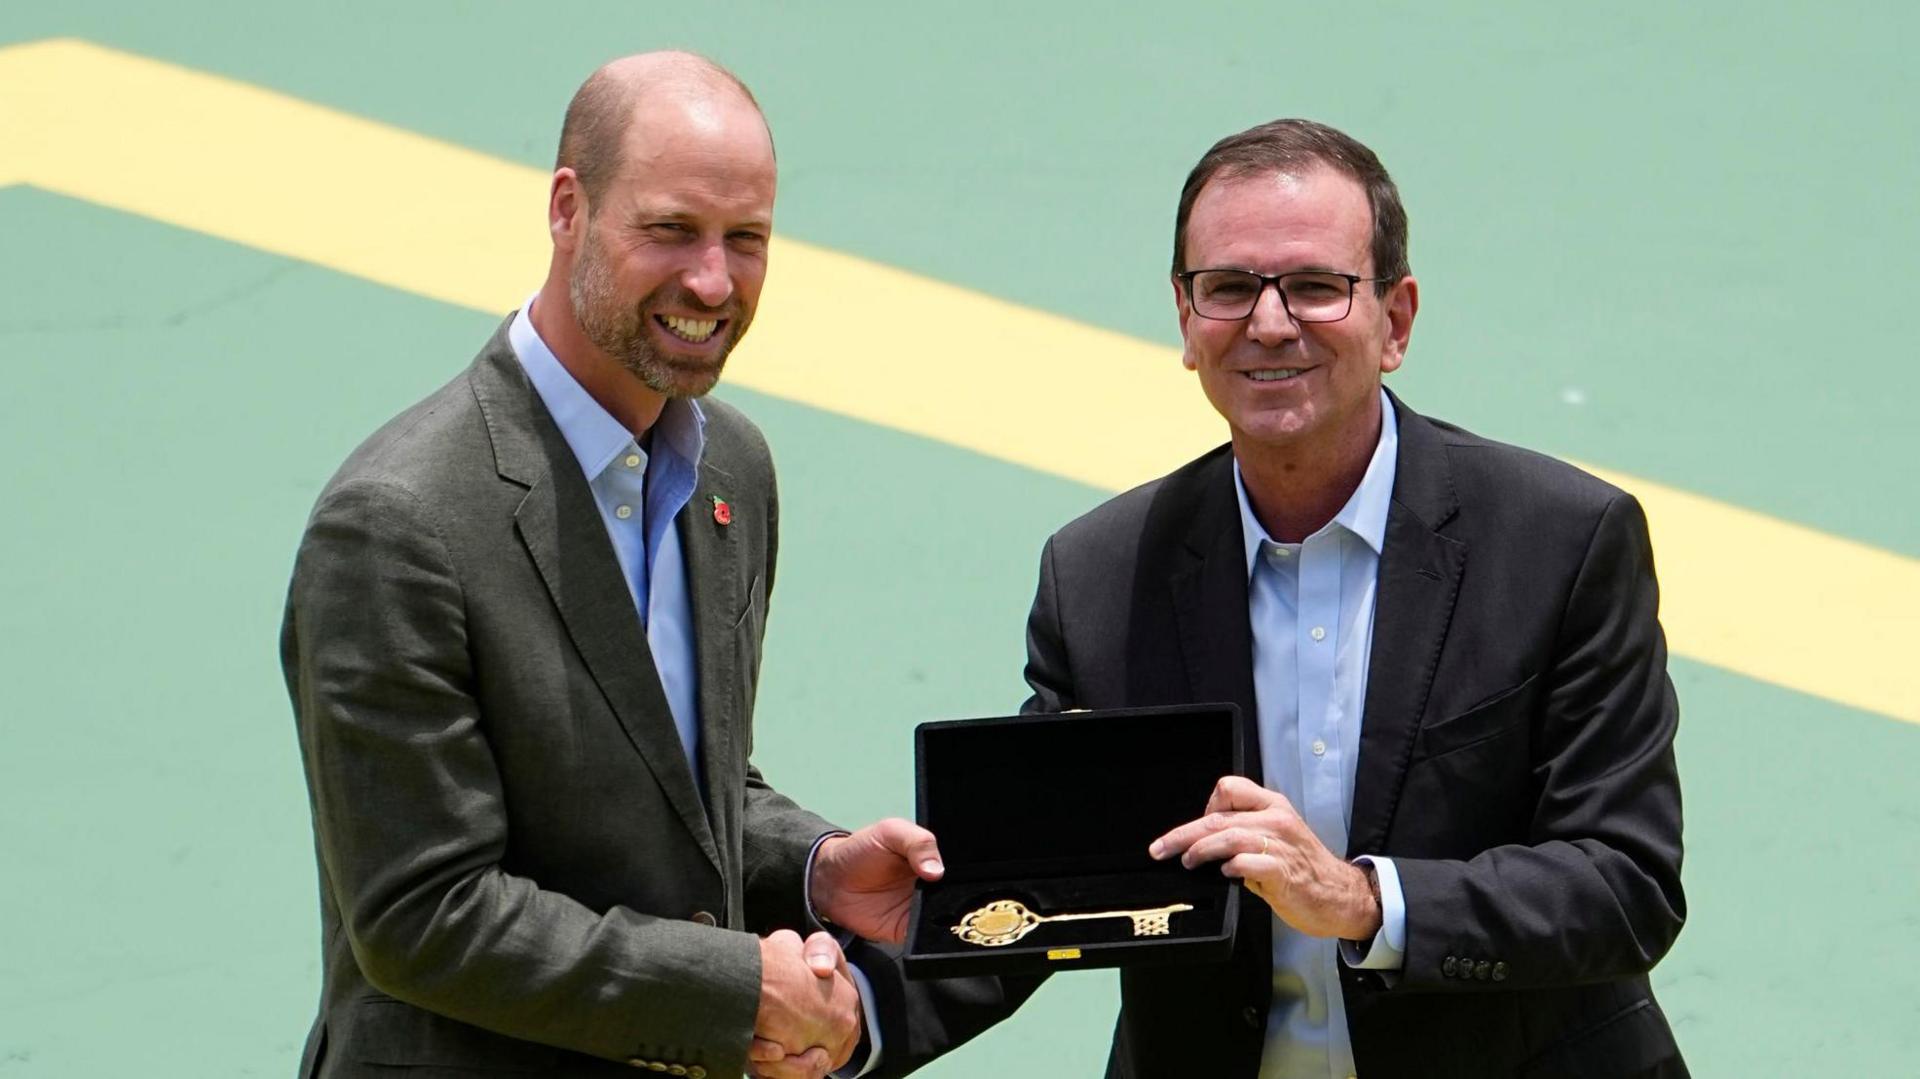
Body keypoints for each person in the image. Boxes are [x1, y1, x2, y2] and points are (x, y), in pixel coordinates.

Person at [859, 119, 1688, 1077]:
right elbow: (1050, 882)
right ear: (1185, 318)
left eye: (1315, 286)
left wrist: (1363, 901)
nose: (1268, 322)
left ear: (1397, 320)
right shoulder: (1098, 574)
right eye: (1229, 287)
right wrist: (848, 1018)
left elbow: (1623, 881)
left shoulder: (1562, 541)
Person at [281, 52, 940, 1079]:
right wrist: (738, 987)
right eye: (671, 228)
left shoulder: (733, 468)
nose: (713, 281)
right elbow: (423, 914)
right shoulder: (392, 523)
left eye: (747, 239)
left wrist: (814, 868)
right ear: (566, 208)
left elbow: (679, 787)